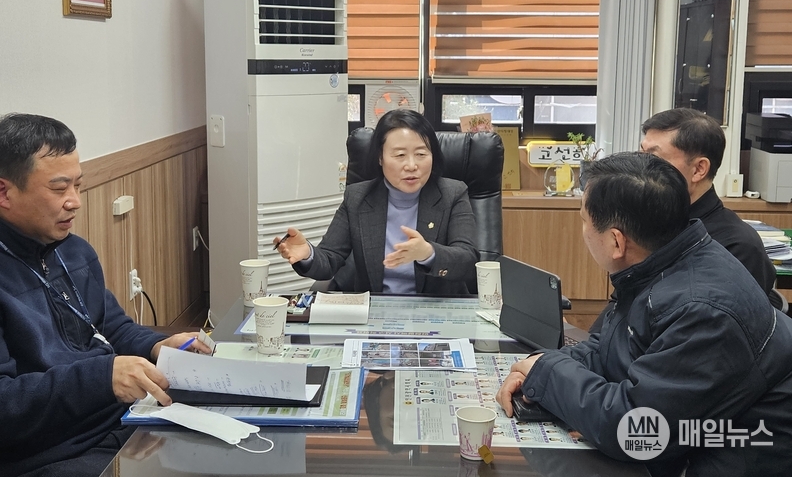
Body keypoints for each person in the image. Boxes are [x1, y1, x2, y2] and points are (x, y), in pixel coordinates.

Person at [496, 152, 792, 477]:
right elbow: (612, 350)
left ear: (616, 241)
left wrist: (549, 373)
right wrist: (540, 369)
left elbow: (638, 431)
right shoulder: (663, 261)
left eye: (584, 220)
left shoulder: (702, 311)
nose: (583, 230)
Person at [0, 113, 210, 477]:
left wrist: (158, 346)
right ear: (4, 192)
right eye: (59, 189)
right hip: (54, 453)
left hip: (127, 420)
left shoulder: (74, 251)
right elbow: (6, 405)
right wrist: (102, 378)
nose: (75, 202)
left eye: (78, 185)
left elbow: (113, 328)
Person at [591, 107, 779, 332]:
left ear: (699, 169)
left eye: (653, 158)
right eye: (641, 154)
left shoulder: (737, 247)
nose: (640, 168)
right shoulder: (651, 224)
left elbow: (705, 337)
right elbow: (621, 308)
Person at [275, 109, 479, 294]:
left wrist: (428, 253)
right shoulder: (358, 198)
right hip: (374, 311)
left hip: (437, 311)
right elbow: (330, 259)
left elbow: (468, 261)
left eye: (421, 154)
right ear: (380, 158)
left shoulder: (452, 194)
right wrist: (307, 254)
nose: (411, 165)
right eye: (400, 155)